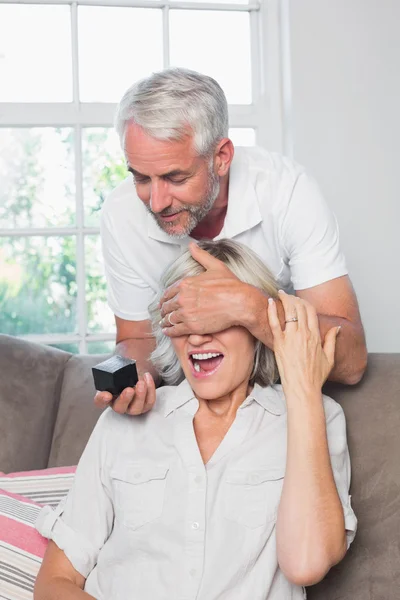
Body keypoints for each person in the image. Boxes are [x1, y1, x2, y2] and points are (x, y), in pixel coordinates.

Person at [34, 239, 357, 600]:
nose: (198, 336)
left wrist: (301, 382)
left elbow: (306, 563)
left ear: (255, 325)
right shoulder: (123, 423)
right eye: (183, 320)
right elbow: (55, 583)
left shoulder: (318, 415)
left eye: (217, 318)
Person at [96, 67, 367, 417]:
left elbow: (353, 360)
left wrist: (249, 308)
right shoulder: (121, 213)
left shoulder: (286, 192)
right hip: (193, 409)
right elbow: (138, 340)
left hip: (283, 399)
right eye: (141, 178)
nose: (157, 201)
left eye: (175, 177)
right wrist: (130, 380)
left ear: (221, 157)